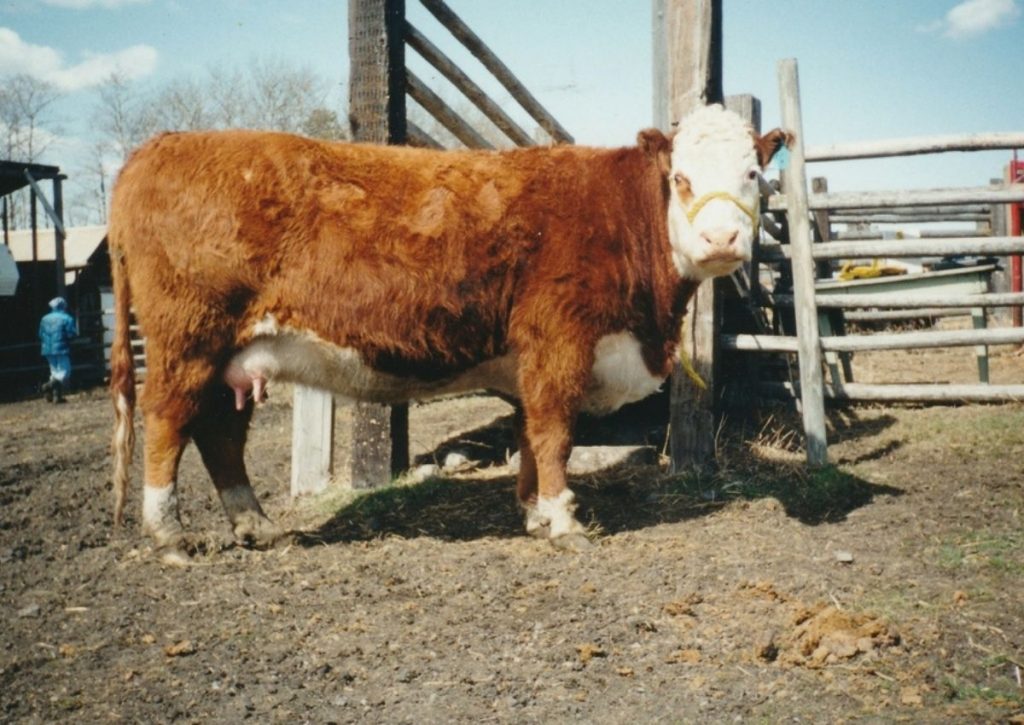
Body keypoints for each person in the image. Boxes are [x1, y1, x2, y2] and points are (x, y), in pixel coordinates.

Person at [39, 296, 78, 403]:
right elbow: (71, 334)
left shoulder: (44, 318)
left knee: (54, 372)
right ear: (63, 306)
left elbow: (40, 334)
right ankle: (47, 386)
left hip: (47, 349)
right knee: (64, 373)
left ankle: (57, 397)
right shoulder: (67, 318)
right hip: (62, 348)